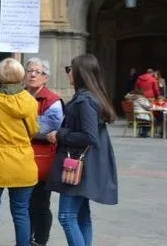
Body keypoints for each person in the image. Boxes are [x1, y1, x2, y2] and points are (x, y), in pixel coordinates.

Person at [47, 54, 119, 246]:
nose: (68, 73)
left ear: (81, 73)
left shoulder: (85, 100)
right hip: (86, 164)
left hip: (79, 165)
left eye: (70, 69)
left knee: (66, 216)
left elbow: (89, 136)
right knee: (81, 215)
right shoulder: (90, 96)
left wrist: (60, 134)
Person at [0, 58, 38, 246]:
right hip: (22, 163)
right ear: (21, 76)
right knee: (21, 212)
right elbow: (33, 130)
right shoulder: (30, 102)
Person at [24, 57, 63, 246]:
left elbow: (46, 129)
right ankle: (24, 240)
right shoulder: (20, 96)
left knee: (39, 204)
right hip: (20, 159)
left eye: (37, 72)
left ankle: (40, 241)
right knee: (22, 206)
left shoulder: (52, 101)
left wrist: (18, 124)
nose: (32, 75)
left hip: (41, 161)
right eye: (29, 71)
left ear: (45, 77)